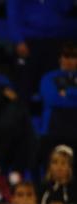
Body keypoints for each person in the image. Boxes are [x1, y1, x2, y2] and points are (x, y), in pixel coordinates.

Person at [37, 42, 77, 171]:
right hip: (52, 130)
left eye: (73, 56)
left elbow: (60, 99)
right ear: (60, 58)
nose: (69, 60)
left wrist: (68, 93)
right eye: (66, 56)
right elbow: (52, 99)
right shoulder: (49, 77)